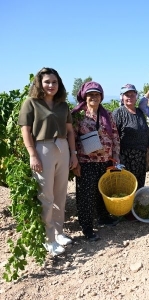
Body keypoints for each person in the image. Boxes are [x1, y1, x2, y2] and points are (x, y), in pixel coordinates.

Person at [18, 67, 78, 256]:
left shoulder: (63, 105)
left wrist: (73, 153)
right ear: (40, 83)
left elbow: (69, 131)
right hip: (42, 148)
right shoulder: (31, 103)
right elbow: (25, 130)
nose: (51, 85)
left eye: (54, 82)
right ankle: (48, 238)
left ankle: (59, 232)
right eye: (47, 82)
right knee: (46, 195)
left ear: (58, 84)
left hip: (62, 148)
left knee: (60, 193)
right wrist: (32, 154)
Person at [71, 81, 120, 242]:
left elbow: (114, 136)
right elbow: (71, 139)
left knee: (102, 191)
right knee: (86, 195)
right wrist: (75, 162)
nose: (94, 97)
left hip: (105, 160)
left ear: (101, 97)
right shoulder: (78, 116)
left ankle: (103, 217)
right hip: (86, 161)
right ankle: (87, 227)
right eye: (90, 94)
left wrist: (116, 157)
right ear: (84, 97)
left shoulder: (107, 115)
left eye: (97, 94)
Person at [113, 84, 149, 190]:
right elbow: (113, 135)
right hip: (126, 157)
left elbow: (144, 131)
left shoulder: (140, 112)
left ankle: (136, 205)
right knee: (126, 185)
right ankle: (125, 206)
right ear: (122, 97)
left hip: (141, 156)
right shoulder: (118, 113)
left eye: (132, 94)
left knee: (139, 184)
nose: (130, 97)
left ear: (136, 96)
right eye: (127, 95)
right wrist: (115, 156)